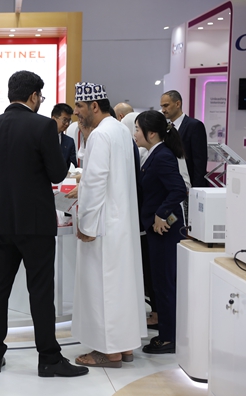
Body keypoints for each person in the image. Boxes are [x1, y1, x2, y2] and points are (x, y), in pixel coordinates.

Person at [0, 71, 88, 378]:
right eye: (41, 96)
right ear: (34, 96)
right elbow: (57, 173)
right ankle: (48, 358)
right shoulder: (43, 126)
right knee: (40, 291)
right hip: (36, 222)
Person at [72, 82, 146, 368]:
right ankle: (124, 346)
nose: (76, 113)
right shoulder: (119, 130)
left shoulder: (101, 134)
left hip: (103, 225)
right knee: (120, 288)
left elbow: (94, 183)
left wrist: (86, 224)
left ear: (94, 105)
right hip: (120, 223)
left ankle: (108, 351)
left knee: (102, 289)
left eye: (79, 106)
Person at [134, 110, 187, 354]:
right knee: (160, 282)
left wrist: (161, 214)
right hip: (157, 231)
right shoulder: (154, 154)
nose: (135, 134)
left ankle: (169, 338)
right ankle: (166, 331)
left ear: (152, 133)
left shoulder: (162, 156)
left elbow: (178, 190)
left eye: (138, 129)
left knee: (164, 284)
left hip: (165, 231)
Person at [160, 90, 208, 187]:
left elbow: (199, 161)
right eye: (162, 106)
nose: (163, 110)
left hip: (189, 183)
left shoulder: (194, 126)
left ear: (178, 104)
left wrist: (195, 189)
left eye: (166, 105)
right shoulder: (164, 128)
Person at [51, 103, 77, 168]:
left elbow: (73, 166)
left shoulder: (69, 142)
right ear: (54, 119)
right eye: (64, 120)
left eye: (69, 121)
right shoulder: (42, 137)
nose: (67, 124)